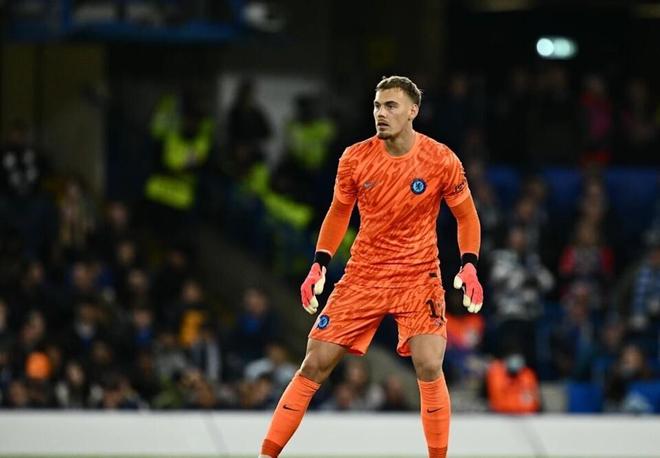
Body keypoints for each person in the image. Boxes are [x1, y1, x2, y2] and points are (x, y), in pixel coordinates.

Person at [258, 76, 484, 458]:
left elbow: (467, 216)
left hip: (417, 276)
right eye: (377, 105)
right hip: (364, 275)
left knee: (430, 363)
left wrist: (470, 265)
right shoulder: (355, 158)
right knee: (314, 363)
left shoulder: (440, 159)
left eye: (391, 106)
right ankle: (266, 454)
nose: (381, 113)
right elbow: (338, 213)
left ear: (413, 111)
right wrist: (319, 265)